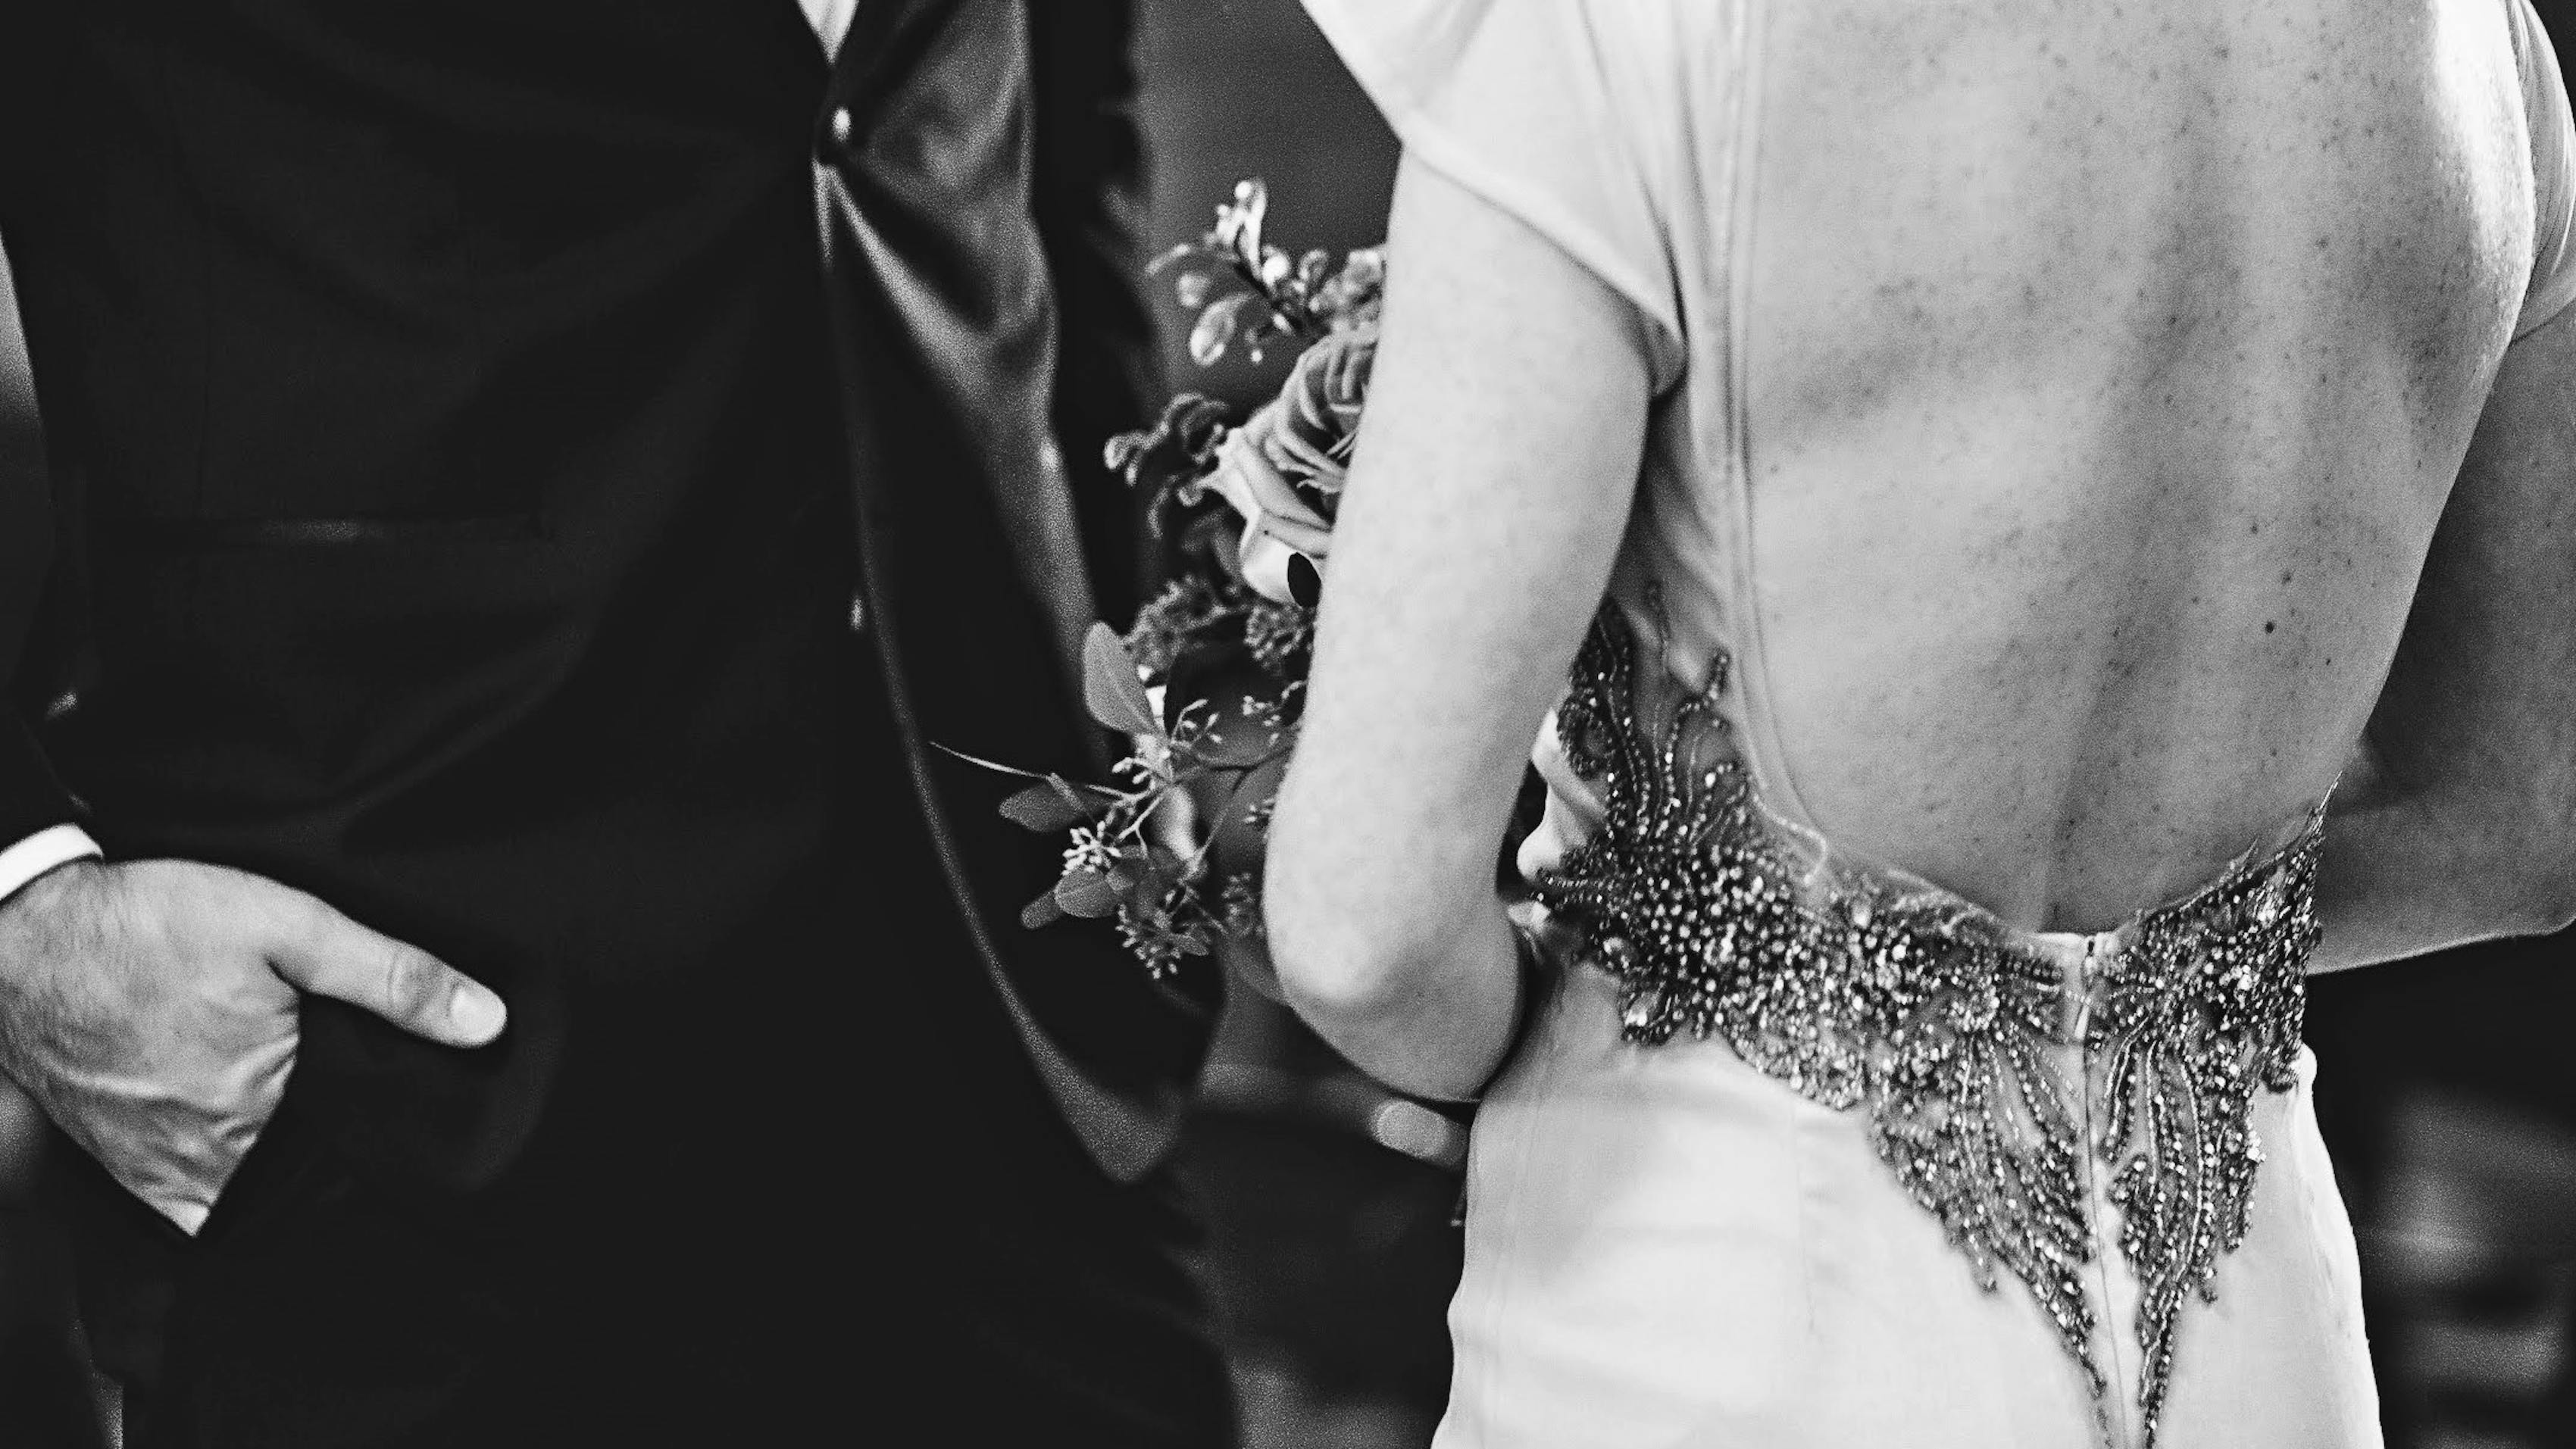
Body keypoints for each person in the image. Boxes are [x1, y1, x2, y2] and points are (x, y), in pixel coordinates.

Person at [1265, 0, 2576, 1446]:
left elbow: (1363, 938)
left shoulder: (1630, 36)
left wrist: (1669, 978)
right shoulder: (2491, 58)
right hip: (2263, 1343)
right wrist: (2144, 992)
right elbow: (2524, 823)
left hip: (1717, 1307)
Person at [0, 3, 1231, 1445]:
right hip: (400, 1035)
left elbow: (1053, 139)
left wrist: (1146, 678)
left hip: (1007, 996)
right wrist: (20, 902)